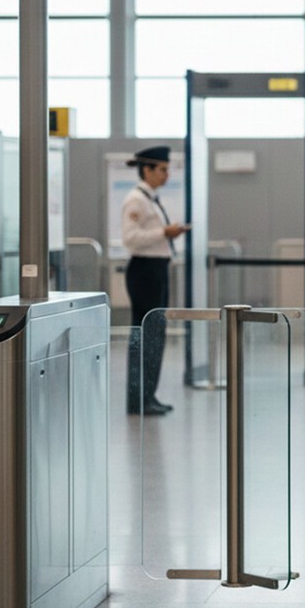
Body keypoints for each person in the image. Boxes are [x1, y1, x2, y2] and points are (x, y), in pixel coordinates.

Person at [122, 146, 189, 416]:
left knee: (154, 335)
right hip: (144, 270)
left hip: (156, 269)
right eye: (161, 169)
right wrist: (164, 231)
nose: (166, 174)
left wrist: (167, 233)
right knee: (145, 334)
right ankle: (138, 398)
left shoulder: (151, 199)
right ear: (146, 169)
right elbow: (131, 239)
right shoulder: (136, 200)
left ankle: (148, 394)